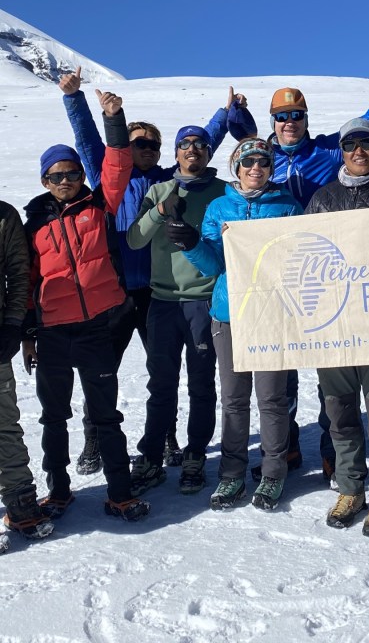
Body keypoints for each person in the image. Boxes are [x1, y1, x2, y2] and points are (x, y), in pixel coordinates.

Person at [58, 66, 236, 475]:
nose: (147, 150)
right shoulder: (110, 179)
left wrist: (223, 117)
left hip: (159, 293)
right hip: (117, 290)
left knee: (166, 371)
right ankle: (94, 440)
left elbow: (196, 152)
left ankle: (170, 439)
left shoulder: (163, 180)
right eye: (139, 143)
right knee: (102, 369)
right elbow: (89, 139)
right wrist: (75, 99)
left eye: (154, 145)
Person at [267, 53, 369, 477]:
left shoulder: (328, 149)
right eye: (282, 116)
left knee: (334, 365)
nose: (290, 122)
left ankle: (333, 449)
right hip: (284, 273)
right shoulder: (258, 158)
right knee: (283, 365)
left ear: (307, 118)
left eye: (297, 114)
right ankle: (286, 445)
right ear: (273, 121)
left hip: (337, 270)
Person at [21, 88, 150, 523]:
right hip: (53, 332)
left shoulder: (99, 205)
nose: (66, 181)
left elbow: (117, 165)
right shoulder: (32, 224)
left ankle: (120, 491)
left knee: (105, 414)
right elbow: (25, 282)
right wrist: (27, 335)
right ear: (44, 181)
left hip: (97, 326)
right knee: (53, 418)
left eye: (72, 173)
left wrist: (114, 119)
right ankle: (58, 490)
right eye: (56, 176)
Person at [179, 138, 302, 511]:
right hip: (228, 313)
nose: (255, 168)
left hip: (271, 314)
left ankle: (272, 473)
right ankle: (232, 474)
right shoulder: (220, 206)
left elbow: (298, 259)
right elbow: (213, 264)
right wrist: (190, 244)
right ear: (237, 166)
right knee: (234, 400)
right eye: (248, 161)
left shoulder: (288, 206)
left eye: (263, 161)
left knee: (271, 399)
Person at [306, 119, 369, 537]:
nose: (358, 152)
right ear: (342, 151)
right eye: (350, 145)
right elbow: (307, 256)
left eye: (366, 144)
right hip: (334, 327)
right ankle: (351, 488)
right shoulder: (323, 198)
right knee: (341, 415)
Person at [127, 124, 228, 497]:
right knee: (161, 384)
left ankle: (195, 455)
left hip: (204, 300)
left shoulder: (224, 193)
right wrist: (158, 211)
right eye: (185, 145)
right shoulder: (158, 190)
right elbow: (135, 239)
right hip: (163, 303)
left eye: (200, 144)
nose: (192, 150)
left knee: (201, 383)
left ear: (208, 153)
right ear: (176, 153)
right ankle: (152, 457)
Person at [0, 196, 54, 550]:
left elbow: (20, 273)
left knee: (4, 423)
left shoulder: (3, 216)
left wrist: (13, 322)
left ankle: (20, 504)